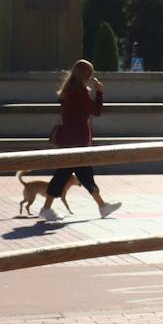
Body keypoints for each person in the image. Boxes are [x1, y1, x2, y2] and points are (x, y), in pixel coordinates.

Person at [39, 59, 121, 221]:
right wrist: (99, 92)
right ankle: (47, 208)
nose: (91, 78)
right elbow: (96, 111)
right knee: (66, 174)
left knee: (80, 174)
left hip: (70, 138)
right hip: (76, 140)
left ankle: (102, 206)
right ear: (86, 75)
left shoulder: (69, 90)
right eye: (90, 75)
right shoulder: (79, 92)